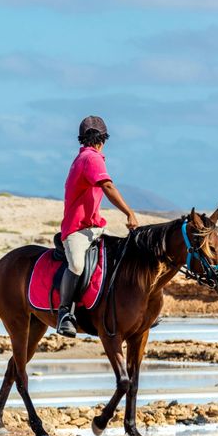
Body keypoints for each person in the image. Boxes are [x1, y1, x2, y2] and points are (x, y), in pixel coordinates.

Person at [57, 115, 138, 338]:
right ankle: (64, 313)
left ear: (82, 139)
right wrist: (129, 212)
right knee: (76, 265)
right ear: (103, 140)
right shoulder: (91, 159)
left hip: (95, 228)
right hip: (76, 230)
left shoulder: (85, 157)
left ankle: (139, 308)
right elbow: (108, 187)